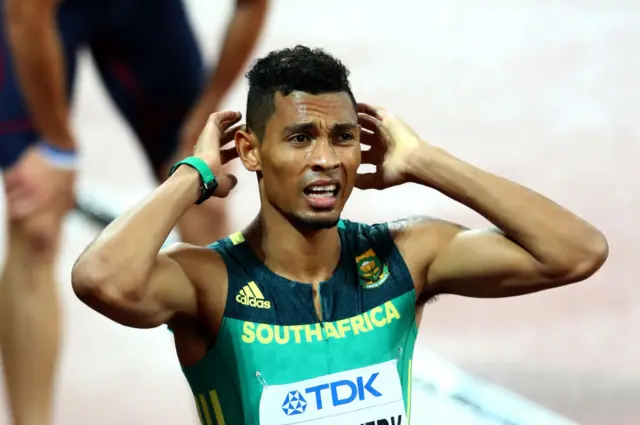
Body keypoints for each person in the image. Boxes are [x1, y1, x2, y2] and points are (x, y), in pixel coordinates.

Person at [71, 46, 609, 425]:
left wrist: (428, 162)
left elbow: (575, 252)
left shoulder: (406, 256)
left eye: (343, 137)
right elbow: (100, 279)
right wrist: (194, 175)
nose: (326, 160)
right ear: (252, 150)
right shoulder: (211, 281)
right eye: (300, 138)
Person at [0, 0, 268, 424]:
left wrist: (206, 108)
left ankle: (237, 413)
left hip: (141, 11)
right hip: (39, 12)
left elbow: (251, 6)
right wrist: (56, 147)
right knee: (35, 218)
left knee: (207, 204)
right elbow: (24, 15)